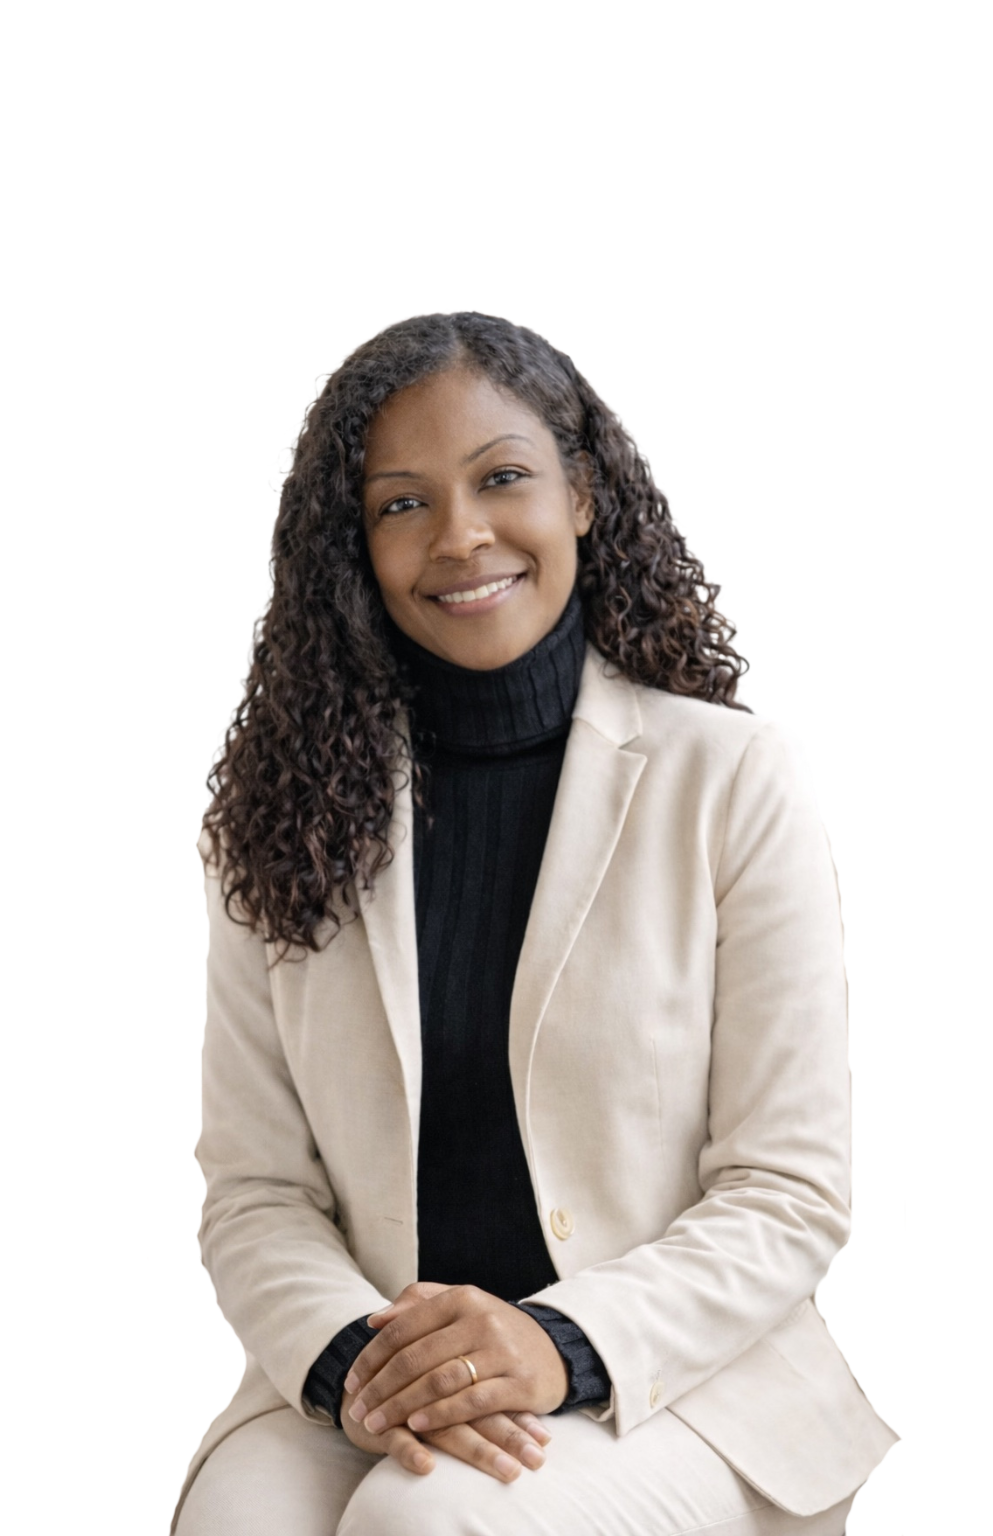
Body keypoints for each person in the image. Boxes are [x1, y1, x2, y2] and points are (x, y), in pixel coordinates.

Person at [171, 310, 894, 1535]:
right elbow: (251, 1186)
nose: (459, 535)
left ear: (584, 496)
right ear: (354, 546)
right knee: (239, 1520)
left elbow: (783, 1189)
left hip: (674, 1382)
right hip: (372, 1362)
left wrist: (554, 1343)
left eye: (501, 478)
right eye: (403, 504)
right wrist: (357, 1363)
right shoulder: (271, 817)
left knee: (429, 1521)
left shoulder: (728, 780)